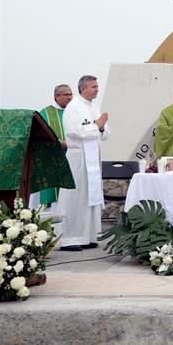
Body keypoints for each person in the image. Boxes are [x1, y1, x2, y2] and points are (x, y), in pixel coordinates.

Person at [57, 75, 110, 251]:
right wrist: (97, 125)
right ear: (83, 89)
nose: (97, 89)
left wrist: (101, 127)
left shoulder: (93, 107)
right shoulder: (73, 107)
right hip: (78, 158)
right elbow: (73, 131)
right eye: (93, 86)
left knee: (89, 198)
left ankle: (88, 236)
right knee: (76, 198)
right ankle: (70, 238)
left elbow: (106, 133)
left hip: (92, 157)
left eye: (97, 86)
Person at [36, 83, 73, 207]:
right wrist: (59, 143)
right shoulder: (45, 113)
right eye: (66, 95)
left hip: (73, 157)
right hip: (52, 157)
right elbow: (38, 135)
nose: (70, 97)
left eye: (71, 94)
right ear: (56, 96)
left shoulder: (75, 112)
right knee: (54, 199)